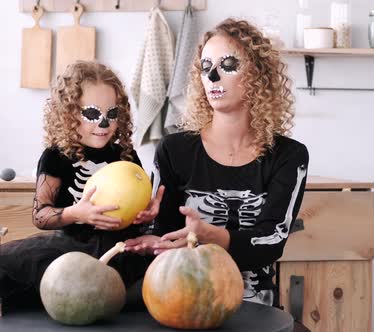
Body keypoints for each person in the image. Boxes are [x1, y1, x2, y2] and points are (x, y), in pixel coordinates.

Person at [125, 18, 309, 307]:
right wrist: (148, 236)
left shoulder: (289, 156)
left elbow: (271, 242)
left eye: (228, 65)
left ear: (257, 75)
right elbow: (163, 231)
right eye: (205, 67)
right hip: (182, 299)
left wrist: (209, 235)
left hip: (256, 305)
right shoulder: (174, 150)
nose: (212, 78)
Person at [0, 61, 162, 309]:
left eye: (112, 114)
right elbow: (40, 215)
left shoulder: (125, 155)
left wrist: (145, 214)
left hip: (120, 248)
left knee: (164, 270)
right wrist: (77, 213)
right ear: (69, 114)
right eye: (93, 114)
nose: (104, 124)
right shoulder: (56, 156)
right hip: (72, 247)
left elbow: (137, 213)